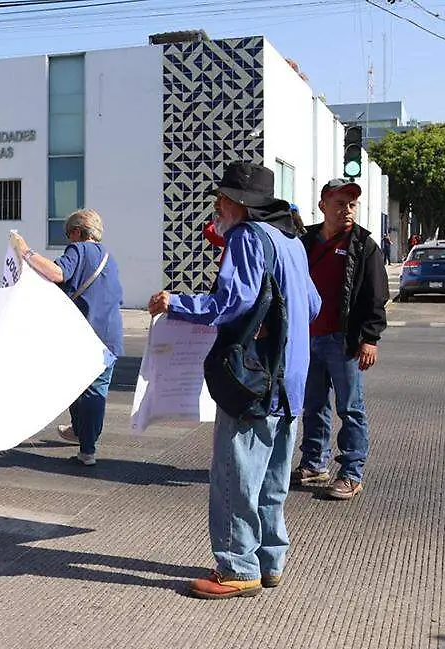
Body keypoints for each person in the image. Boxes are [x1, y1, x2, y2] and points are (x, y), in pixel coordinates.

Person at [148, 161, 319, 600]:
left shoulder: (247, 236)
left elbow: (231, 301)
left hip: (255, 379)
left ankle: (237, 567)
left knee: (236, 476)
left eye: (222, 198)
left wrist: (177, 302)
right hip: (291, 379)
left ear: (238, 203)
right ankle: (269, 561)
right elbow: (313, 305)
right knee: (272, 479)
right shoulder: (291, 241)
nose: (217, 206)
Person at [291, 179, 388, 500]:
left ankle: (351, 473)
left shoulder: (364, 245)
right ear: (322, 206)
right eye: (340, 203)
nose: (347, 210)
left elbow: (376, 295)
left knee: (350, 408)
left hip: (343, 340)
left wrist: (370, 338)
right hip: (308, 339)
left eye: (351, 204)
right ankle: (314, 463)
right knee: (313, 405)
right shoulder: (305, 243)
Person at [10, 209, 124, 466]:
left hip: (86, 335)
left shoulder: (79, 250)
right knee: (93, 389)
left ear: (76, 231)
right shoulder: (109, 257)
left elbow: (58, 273)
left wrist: (26, 251)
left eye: (67, 234)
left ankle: (87, 448)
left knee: (82, 387)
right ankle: (82, 433)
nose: (67, 240)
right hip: (110, 334)